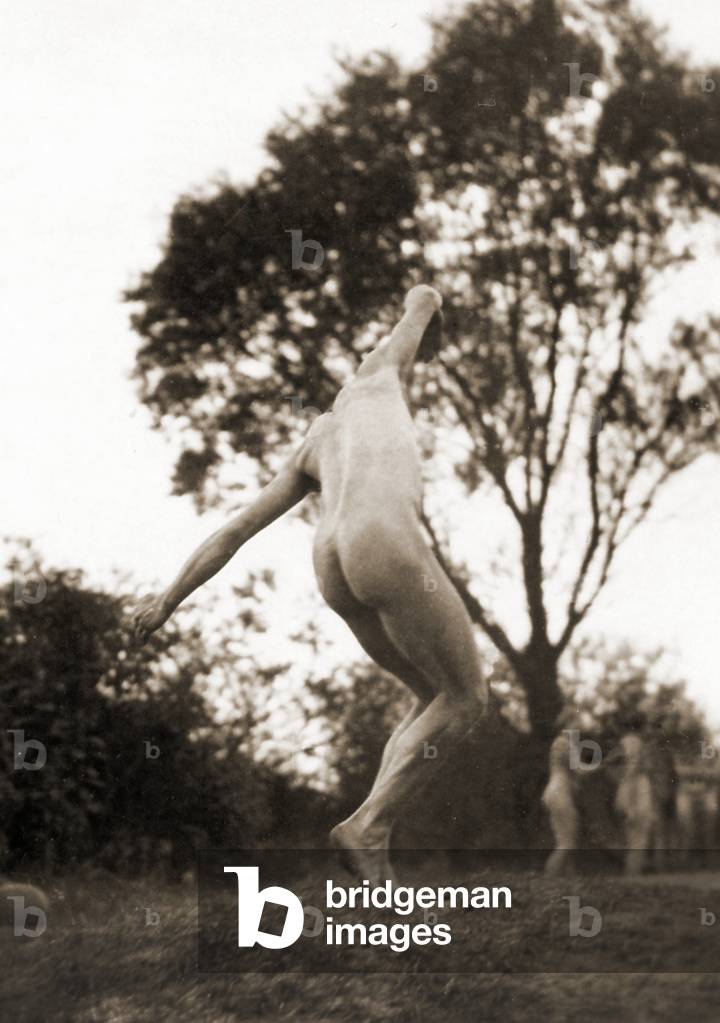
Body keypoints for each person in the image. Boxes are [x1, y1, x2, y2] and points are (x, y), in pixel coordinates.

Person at [132, 285, 487, 882]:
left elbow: (233, 532)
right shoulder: (380, 379)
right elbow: (422, 297)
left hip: (332, 561)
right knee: (468, 696)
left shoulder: (314, 444)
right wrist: (430, 324)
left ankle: (373, 844)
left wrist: (167, 599)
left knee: (431, 696)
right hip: (382, 538)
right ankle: (368, 824)